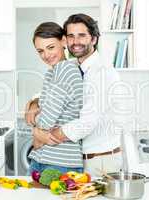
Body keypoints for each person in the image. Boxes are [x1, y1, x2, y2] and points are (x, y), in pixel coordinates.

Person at [29, 14, 122, 176]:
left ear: (93, 39)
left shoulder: (102, 72)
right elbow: (55, 94)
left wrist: (41, 135)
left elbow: (87, 122)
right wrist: (34, 102)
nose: (75, 41)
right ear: (65, 40)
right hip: (78, 157)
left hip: (99, 161)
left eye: (82, 36)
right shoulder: (73, 66)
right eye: (71, 36)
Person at [25, 22, 84, 174]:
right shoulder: (52, 73)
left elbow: (47, 119)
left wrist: (36, 132)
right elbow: (43, 111)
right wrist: (34, 107)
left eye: (50, 47)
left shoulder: (67, 70)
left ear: (63, 41)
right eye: (40, 51)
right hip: (43, 158)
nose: (46, 55)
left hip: (60, 163)